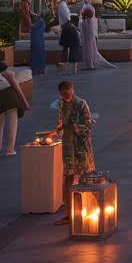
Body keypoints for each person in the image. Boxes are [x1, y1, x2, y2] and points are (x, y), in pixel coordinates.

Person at [51, 80, 93, 224]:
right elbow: (61, 120)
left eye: (67, 92)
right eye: (62, 93)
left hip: (80, 148)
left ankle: (86, 210)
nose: (65, 95)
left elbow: (88, 125)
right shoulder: (62, 103)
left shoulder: (81, 104)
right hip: (67, 146)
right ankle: (70, 214)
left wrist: (73, 127)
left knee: (83, 178)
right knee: (68, 178)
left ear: (72, 89)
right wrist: (60, 128)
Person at [0, 66, 29, 156]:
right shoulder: (9, 74)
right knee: (12, 126)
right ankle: (10, 150)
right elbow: (17, 89)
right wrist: (25, 103)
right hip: (11, 101)